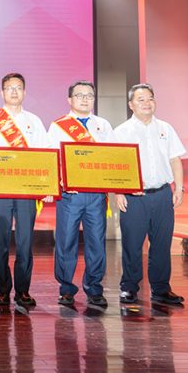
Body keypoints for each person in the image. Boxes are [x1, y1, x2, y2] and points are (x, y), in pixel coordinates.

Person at [0, 73, 52, 311]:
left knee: (25, 241)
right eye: (9, 88)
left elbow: (44, 155)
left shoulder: (34, 121)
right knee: (0, 242)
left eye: (18, 88)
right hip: (0, 189)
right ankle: (3, 290)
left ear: (24, 92)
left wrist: (46, 186)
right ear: (2, 92)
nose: (14, 92)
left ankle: (22, 290)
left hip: (26, 190)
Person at [113, 83, 186, 306]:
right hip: (134, 196)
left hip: (162, 194)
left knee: (162, 244)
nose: (147, 103)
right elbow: (114, 164)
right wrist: (118, 192)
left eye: (150, 98)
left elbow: (175, 159)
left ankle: (161, 289)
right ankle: (129, 288)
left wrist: (179, 188)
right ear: (131, 105)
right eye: (141, 99)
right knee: (132, 244)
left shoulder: (165, 128)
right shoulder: (121, 131)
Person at [47, 81, 114, 309]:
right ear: (70, 100)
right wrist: (58, 182)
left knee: (96, 242)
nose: (85, 99)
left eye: (89, 95)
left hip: (96, 195)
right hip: (70, 194)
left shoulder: (103, 125)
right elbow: (51, 158)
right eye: (79, 95)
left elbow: (112, 156)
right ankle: (66, 289)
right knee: (66, 242)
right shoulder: (58, 126)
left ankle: (94, 289)